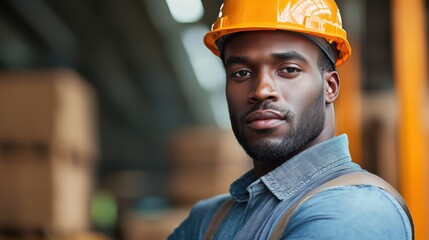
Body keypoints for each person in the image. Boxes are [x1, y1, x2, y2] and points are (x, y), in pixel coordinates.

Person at [168, 0, 413, 239]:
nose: (262, 90)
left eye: (289, 69)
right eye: (241, 73)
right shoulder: (208, 219)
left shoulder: (355, 209)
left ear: (330, 87)